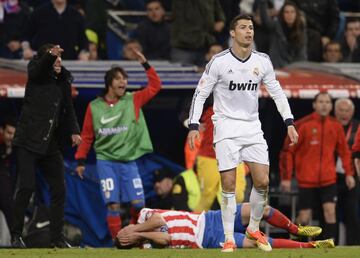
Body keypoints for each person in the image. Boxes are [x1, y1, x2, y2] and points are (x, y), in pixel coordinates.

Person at [187, 14, 298, 252]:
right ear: (232, 33)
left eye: (251, 27)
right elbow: (200, 93)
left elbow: (277, 93)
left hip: (251, 127)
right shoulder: (219, 61)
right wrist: (194, 125)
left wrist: (289, 121)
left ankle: (254, 228)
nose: (249, 31)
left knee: (262, 181)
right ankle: (228, 237)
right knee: (228, 183)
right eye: (243, 28)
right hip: (226, 126)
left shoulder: (263, 61)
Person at [75, 48, 161, 240]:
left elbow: (155, 87)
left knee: (139, 204)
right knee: (113, 205)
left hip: (129, 162)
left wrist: (145, 64)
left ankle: (133, 236)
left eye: (125, 79)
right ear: (109, 84)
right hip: (106, 162)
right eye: (118, 79)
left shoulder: (133, 100)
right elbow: (87, 135)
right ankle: (119, 242)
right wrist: (80, 160)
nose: (123, 82)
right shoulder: (95, 107)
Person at [11, 44, 82, 248]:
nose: (58, 61)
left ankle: (57, 238)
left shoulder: (63, 82)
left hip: (50, 144)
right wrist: (49, 57)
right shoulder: (36, 74)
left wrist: (74, 131)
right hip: (27, 141)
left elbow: (69, 109)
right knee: (26, 187)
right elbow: (39, 69)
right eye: (54, 58)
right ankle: (16, 235)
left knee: (59, 189)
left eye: (60, 58)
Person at [279, 92, 355, 241]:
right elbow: (287, 152)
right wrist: (286, 178)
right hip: (306, 180)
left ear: (331, 105)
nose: (324, 105)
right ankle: (297, 245)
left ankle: (328, 247)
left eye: (327, 102)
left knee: (330, 213)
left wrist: (349, 174)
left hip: (328, 180)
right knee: (304, 217)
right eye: (321, 102)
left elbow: (345, 152)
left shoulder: (335, 125)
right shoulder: (302, 125)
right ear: (314, 104)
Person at [115, 205, 334, 250]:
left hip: (210, 218)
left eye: (122, 230)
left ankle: (297, 230)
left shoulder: (144, 215)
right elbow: (166, 239)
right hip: (207, 240)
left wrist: (135, 230)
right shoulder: (147, 248)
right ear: (130, 244)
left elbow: (160, 221)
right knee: (261, 243)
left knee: (262, 209)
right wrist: (137, 236)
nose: (124, 232)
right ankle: (312, 246)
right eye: (123, 237)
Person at [334, 98, 360, 245]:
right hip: (331, 177)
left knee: (353, 214)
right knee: (331, 215)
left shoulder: (358, 127)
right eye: (341, 111)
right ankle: (332, 246)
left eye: (347, 111)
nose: (344, 114)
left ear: (353, 112)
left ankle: (355, 247)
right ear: (335, 111)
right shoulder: (330, 125)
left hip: (353, 178)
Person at [259, 0, 307, 68]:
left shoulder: (301, 28)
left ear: (296, 14)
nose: (289, 15)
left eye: (292, 12)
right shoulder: (276, 26)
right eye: (286, 12)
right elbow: (265, 21)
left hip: (294, 68)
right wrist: (262, 2)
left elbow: (302, 53)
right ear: (282, 14)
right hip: (277, 68)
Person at [0, 118, 16, 233]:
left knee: (9, 206)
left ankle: (17, 237)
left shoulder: (15, 149)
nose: (11, 137)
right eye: (9, 133)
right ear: (1, 130)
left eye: (14, 134)